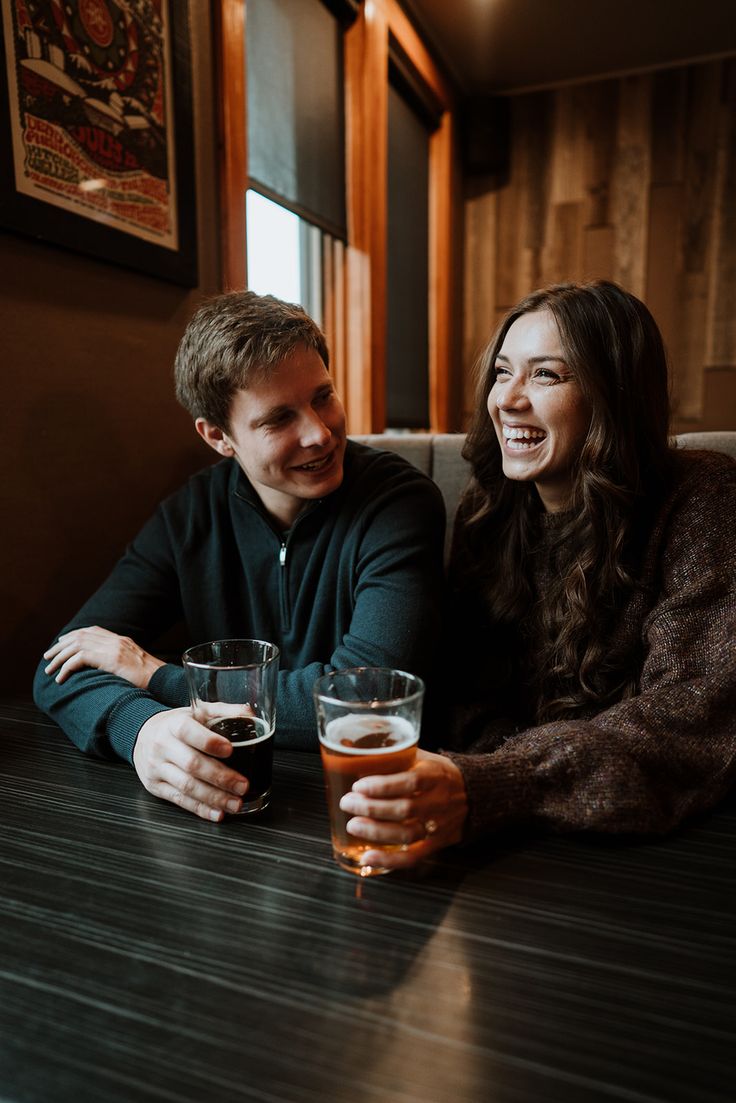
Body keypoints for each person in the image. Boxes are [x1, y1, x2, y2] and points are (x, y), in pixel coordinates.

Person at [338, 279, 736, 870]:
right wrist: (493, 782)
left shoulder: (705, 497)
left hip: (665, 847)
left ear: (614, 396)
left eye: (546, 375)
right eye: (503, 372)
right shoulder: (491, 508)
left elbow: (690, 717)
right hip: (516, 829)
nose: (507, 400)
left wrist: (500, 782)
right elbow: (465, 689)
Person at [34, 291, 445, 821]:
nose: (320, 433)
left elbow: (365, 697)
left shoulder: (400, 502)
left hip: (373, 802)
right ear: (218, 436)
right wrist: (140, 729)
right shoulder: (189, 516)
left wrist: (154, 675)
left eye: (323, 397)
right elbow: (60, 665)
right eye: (279, 419)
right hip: (228, 803)